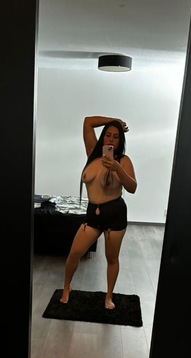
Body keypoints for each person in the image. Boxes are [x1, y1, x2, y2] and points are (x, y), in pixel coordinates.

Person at [60, 116, 137, 309]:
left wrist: (117, 168)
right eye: (108, 135)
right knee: (75, 252)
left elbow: (132, 187)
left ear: (120, 141)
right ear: (103, 137)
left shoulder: (123, 160)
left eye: (116, 137)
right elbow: (87, 121)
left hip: (115, 215)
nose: (111, 139)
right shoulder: (92, 153)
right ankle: (66, 287)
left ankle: (109, 297)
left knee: (112, 258)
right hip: (92, 215)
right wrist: (114, 120)